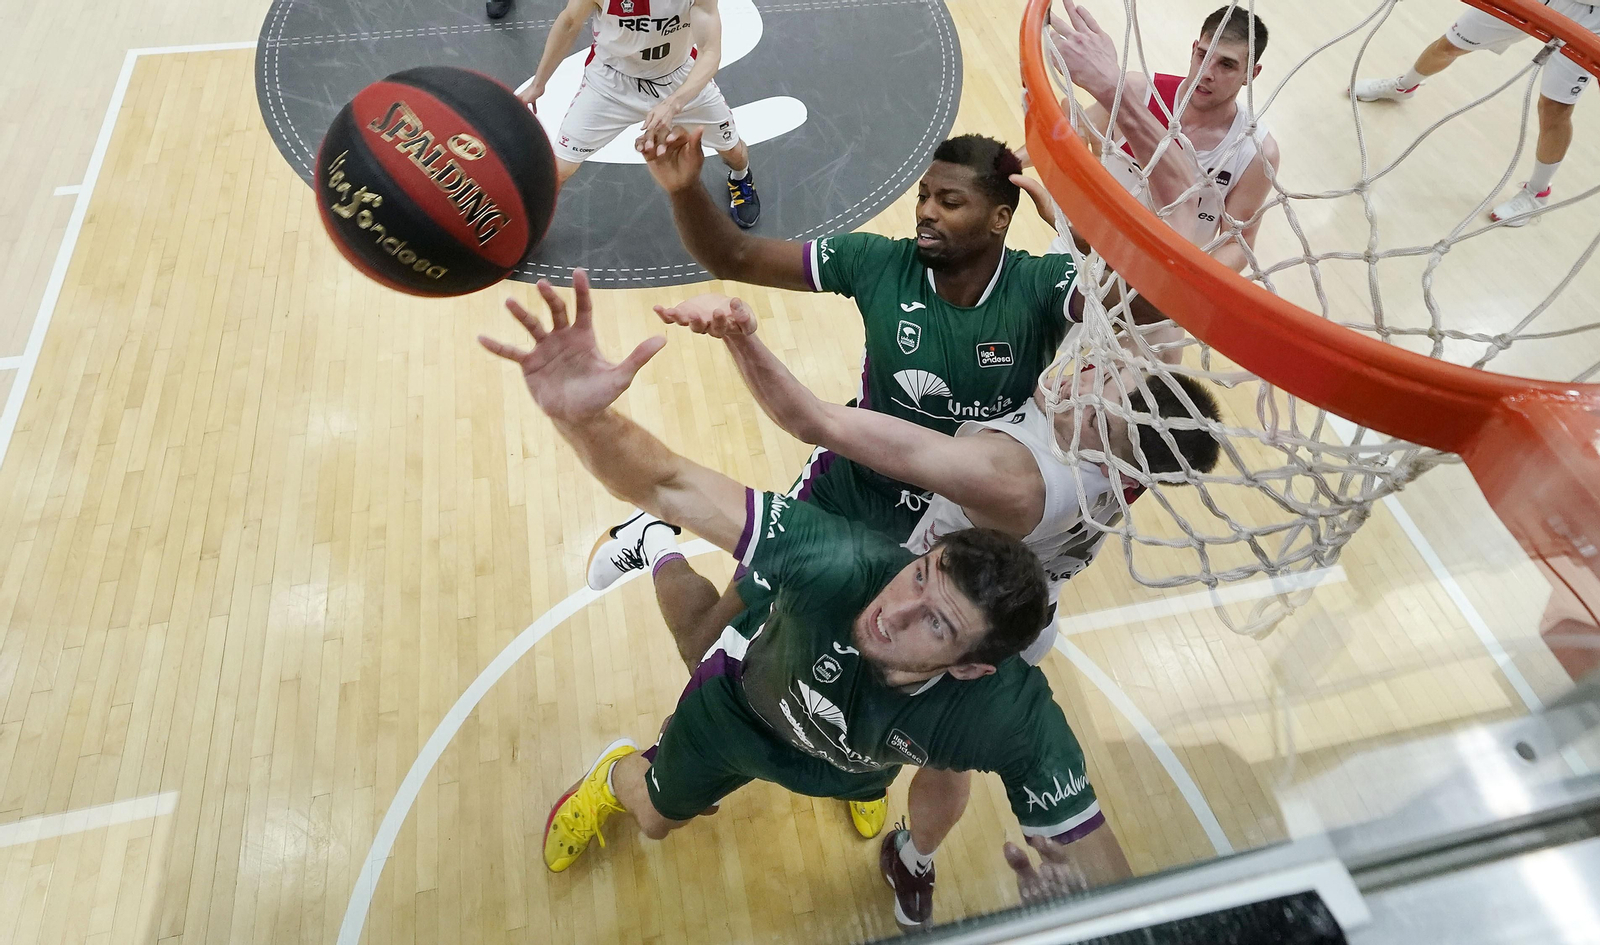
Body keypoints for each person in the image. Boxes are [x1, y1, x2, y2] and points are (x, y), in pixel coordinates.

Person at [585, 5, 1201, 895]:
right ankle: (665, 544)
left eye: (949, 202)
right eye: (923, 195)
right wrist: (685, 189)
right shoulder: (878, 265)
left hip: (954, 534)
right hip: (855, 487)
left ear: (999, 218)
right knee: (712, 649)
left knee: (901, 691)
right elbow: (730, 251)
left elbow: (1150, 301)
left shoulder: (1039, 287)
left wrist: (1081, 211)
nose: (925, 214)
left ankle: (848, 763)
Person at [480, 271, 1134, 928]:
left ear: (971, 667)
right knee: (653, 815)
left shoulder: (1009, 713)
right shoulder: (849, 564)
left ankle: (901, 843)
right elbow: (671, 481)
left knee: (900, 764)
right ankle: (617, 754)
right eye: (917, 576)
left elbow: (1110, 871)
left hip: (854, 763)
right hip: (738, 710)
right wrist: (580, 416)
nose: (892, 609)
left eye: (935, 621)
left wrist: (1107, 920)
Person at [654, 292, 1225, 667]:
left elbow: (815, 420)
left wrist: (739, 336)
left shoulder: (1015, 479)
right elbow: (1151, 318)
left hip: (925, 594)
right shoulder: (1147, 444)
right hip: (1018, 616)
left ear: (1105, 444)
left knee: (717, 655)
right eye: (1110, 375)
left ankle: (653, 545)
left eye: (1099, 404)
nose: (1083, 381)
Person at [1023, 6, 1280, 272]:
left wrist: (1187, 287)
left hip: (1159, 283)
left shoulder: (1256, 151)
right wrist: (1007, 160)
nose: (1207, 72)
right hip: (1082, 249)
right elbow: (1064, 137)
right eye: (1203, 55)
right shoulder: (1136, 93)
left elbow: (1237, 243)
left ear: (1251, 73)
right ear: (1194, 49)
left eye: (1226, 64)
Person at [1353, 0, 1600, 225]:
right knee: (1450, 44)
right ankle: (1404, 86)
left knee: (1556, 107)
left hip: (1591, 16)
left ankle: (1538, 192)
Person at [518, 0, 761, 226]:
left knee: (733, 151)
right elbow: (569, 22)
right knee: (558, 169)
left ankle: (740, 177)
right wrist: (538, 84)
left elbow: (710, 52)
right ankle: (529, 228)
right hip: (610, 83)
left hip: (679, 81)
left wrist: (674, 102)